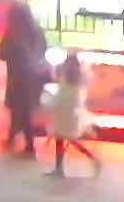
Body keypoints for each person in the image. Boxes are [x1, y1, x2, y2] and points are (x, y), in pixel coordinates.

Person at [0, 0, 51, 157]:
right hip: (33, 76)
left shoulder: (13, 33)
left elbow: (2, 53)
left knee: (20, 110)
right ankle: (14, 138)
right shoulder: (36, 30)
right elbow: (43, 49)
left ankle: (29, 146)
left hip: (17, 77)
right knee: (21, 109)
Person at [42, 50, 102, 178]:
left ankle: (62, 168)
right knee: (66, 137)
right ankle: (62, 168)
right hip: (71, 110)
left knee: (63, 137)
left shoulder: (65, 73)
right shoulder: (79, 75)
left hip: (63, 109)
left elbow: (58, 85)